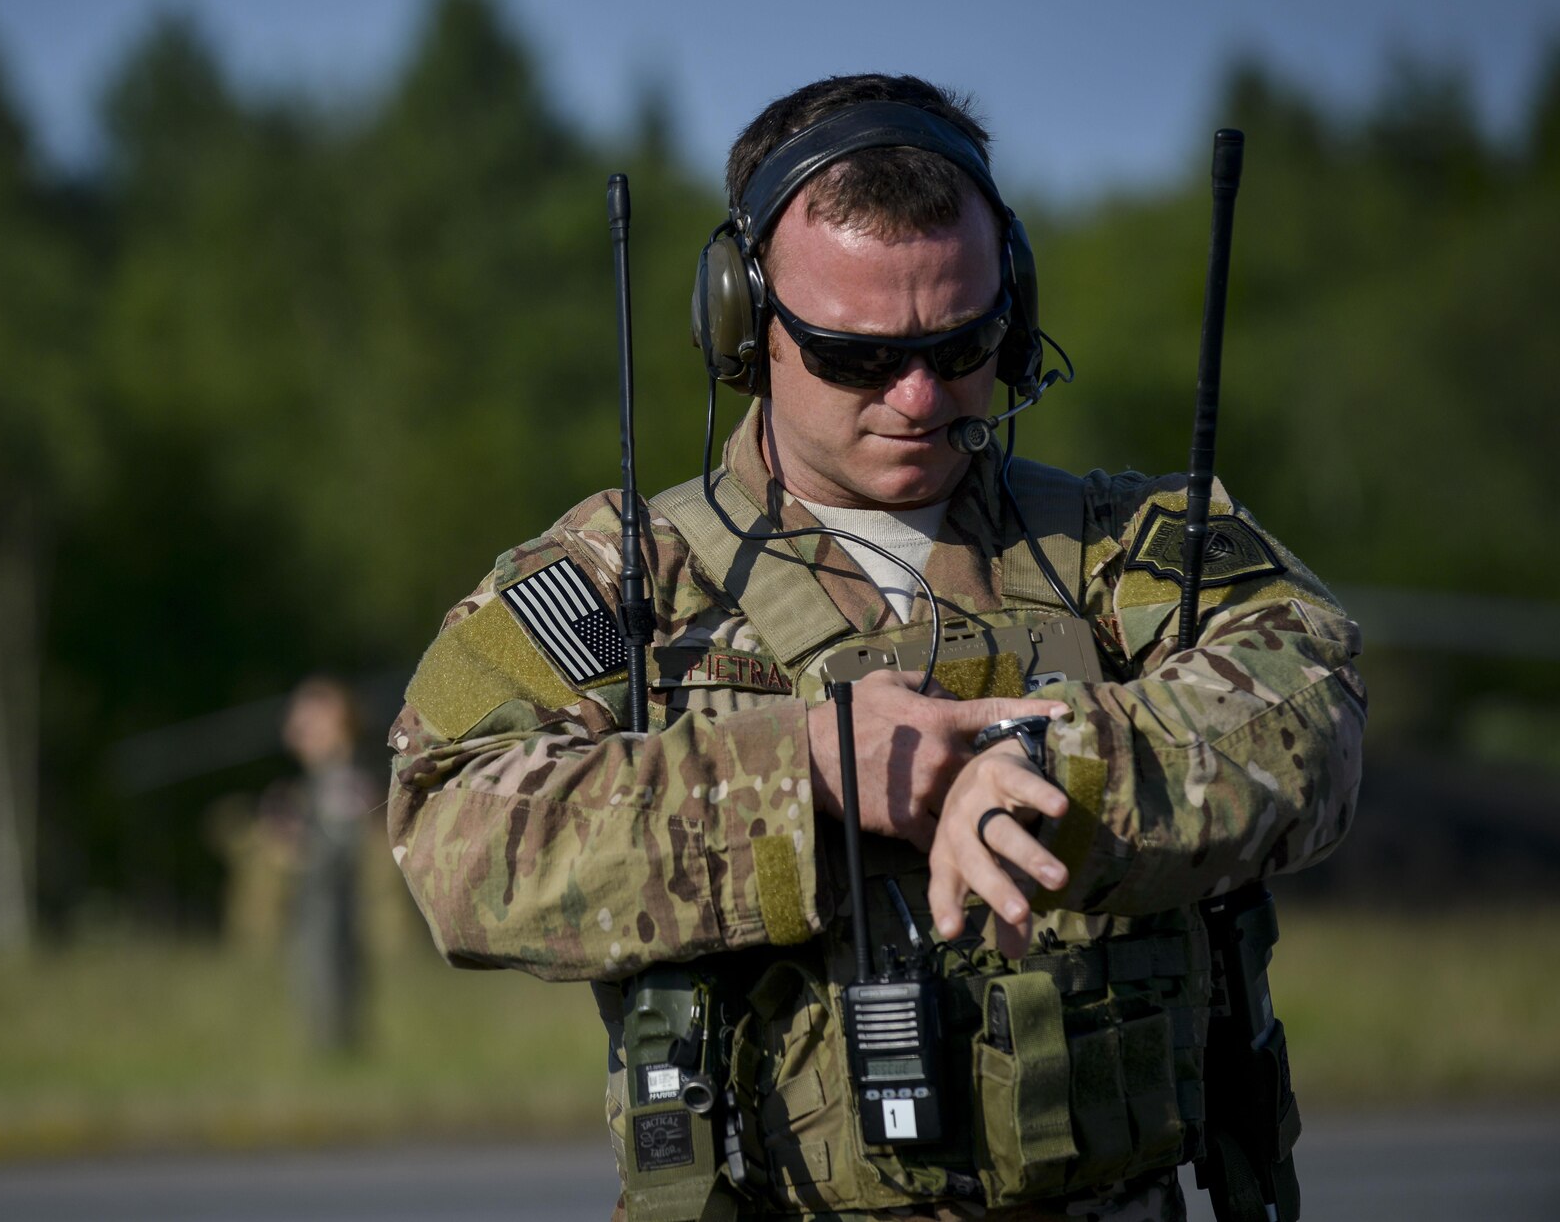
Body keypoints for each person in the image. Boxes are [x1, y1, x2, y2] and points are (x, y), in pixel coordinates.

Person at [387, 74, 1364, 1221]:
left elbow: (1311, 705)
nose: (916, 394)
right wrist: (800, 772)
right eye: (856, 356)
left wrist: (1037, 771)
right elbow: (449, 830)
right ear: (743, 328)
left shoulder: (1130, 549)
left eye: (962, 344)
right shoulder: (625, 582)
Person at [282, 674, 377, 1053]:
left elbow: (338, 847)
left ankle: (336, 1047)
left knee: (330, 971)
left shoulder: (341, 780)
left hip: (330, 896)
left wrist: (298, 846)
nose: (298, 729)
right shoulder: (325, 780)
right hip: (321, 897)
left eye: (310, 721)